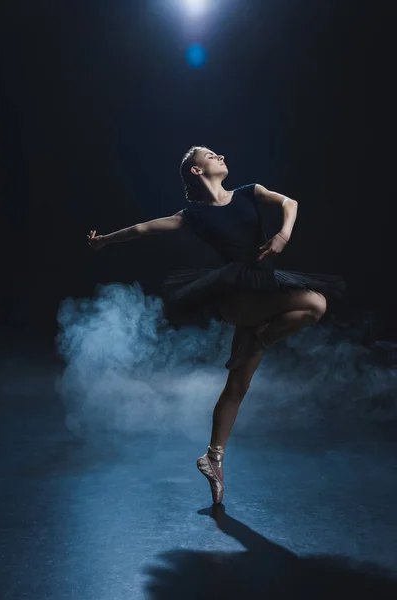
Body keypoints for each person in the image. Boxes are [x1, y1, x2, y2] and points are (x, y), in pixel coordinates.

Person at [87, 145, 346, 505]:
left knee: (238, 385)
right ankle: (259, 339)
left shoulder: (249, 193)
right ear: (196, 171)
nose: (220, 156)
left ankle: (213, 457)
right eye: (210, 155)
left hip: (266, 289)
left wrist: (282, 235)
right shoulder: (192, 215)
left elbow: (290, 203)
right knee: (315, 303)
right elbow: (144, 228)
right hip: (238, 297)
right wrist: (104, 241)